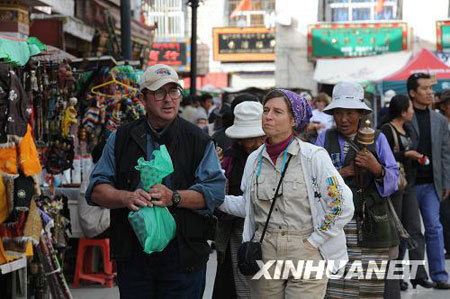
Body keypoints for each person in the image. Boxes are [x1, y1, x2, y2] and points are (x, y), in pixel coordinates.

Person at [86, 64, 226, 298]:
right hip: (134, 253)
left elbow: (214, 192)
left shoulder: (198, 140)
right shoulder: (121, 138)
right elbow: (96, 190)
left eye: (174, 92)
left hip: (183, 255)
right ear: (143, 99)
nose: (168, 100)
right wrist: (125, 196)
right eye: (159, 92)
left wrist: (174, 197)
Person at [220, 89, 354, 298]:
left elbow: (342, 204)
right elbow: (247, 206)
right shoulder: (254, 160)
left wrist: (315, 241)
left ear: (293, 120)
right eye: (265, 110)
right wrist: (215, 198)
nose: (268, 116)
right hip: (264, 250)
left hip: (305, 249)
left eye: (277, 112)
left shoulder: (314, 157)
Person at [316, 82, 399, 298]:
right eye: (338, 113)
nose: (344, 119)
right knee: (336, 281)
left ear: (361, 113)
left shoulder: (378, 138)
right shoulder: (324, 138)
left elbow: (393, 180)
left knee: (369, 282)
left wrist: (376, 168)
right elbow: (313, 178)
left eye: (350, 113)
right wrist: (345, 171)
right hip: (334, 222)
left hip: (368, 221)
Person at [213, 101, 266, 299]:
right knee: (241, 288)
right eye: (246, 139)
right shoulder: (229, 159)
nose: (251, 144)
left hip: (271, 233)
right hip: (237, 233)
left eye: (255, 137)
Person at [380, 95, 433, 292]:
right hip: (395, 187)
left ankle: (418, 274)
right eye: (410, 108)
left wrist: (416, 157)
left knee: (414, 229)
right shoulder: (386, 130)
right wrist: (405, 155)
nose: (412, 111)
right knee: (397, 233)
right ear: (403, 111)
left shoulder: (409, 128)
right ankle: (397, 277)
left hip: (408, 183)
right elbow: (383, 156)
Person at [407, 73, 450, 289]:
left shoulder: (440, 120)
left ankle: (440, 275)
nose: (429, 92)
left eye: (430, 88)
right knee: (410, 231)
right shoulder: (404, 116)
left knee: (434, 227)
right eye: (424, 88)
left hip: (432, 184)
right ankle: (416, 275)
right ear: (413, 93)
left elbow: (445, 153)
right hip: (409, 183)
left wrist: (446, 182)